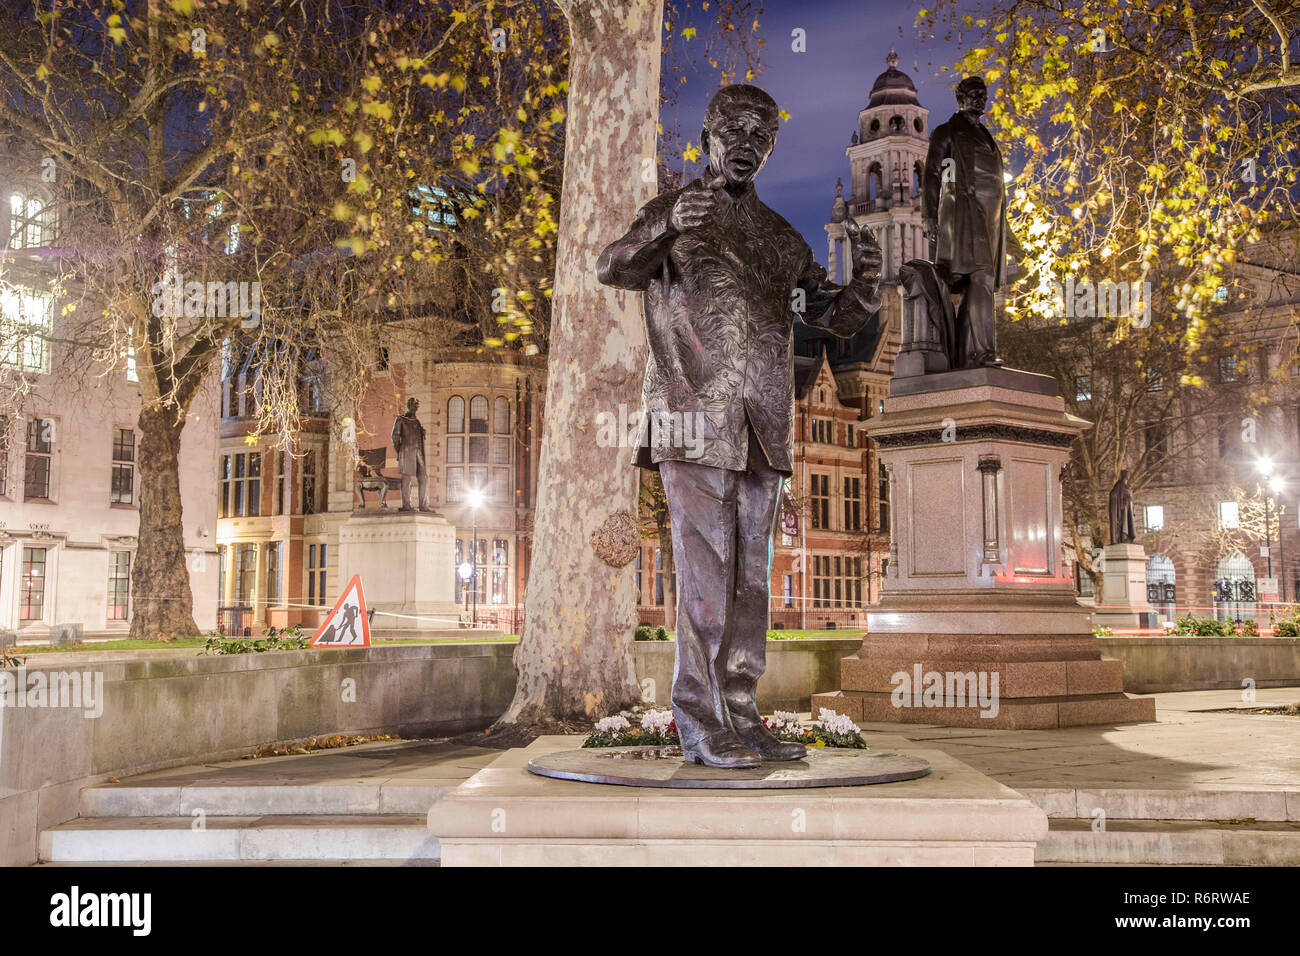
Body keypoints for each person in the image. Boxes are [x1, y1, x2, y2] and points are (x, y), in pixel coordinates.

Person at [598, 84, 883, 768]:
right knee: (703, 576)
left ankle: (742, 710)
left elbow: (828, 312)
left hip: (763, 423)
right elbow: (612, 266)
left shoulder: (782, 236)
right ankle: (698, 720)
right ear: (709, 134)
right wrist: (666, 226)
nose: (749, 144)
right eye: (737, 130)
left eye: (763, 135)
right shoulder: (678, 209)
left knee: (751, 579)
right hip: (693, 419)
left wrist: (866, 290)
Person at [922, 74, 1010, 368]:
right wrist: (928, 216)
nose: (979, 99)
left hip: (992, 221)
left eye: (983, 94)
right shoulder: (947, 132)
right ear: (959, 98)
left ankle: (965, 355)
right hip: (965, 219)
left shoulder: (985, 135)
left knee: (980, 283)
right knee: (982, 277)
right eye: (973, 93)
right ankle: (984, 352)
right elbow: (932, 173)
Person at [390, 397, 430, 512]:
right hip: (406, 452)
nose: (416, 407)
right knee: (407, 479)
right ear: (409, 405)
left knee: (424, 478)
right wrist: (400, 452)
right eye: (414, 405)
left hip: (419, 453)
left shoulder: (417, 421)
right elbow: (395, 437)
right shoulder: (401, 419)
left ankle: (423, 505)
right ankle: (406, 505)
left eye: (417, 405)